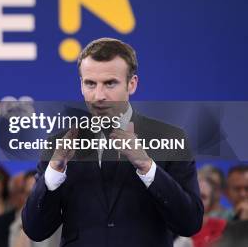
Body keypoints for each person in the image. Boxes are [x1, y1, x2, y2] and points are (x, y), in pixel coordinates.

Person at [22, 38, 203, 247]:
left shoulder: (170, 139)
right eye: (90, 83)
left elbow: (190, 223)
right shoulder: (60, 144)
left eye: (110, 83)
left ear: (132, 84)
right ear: (81, 85)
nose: (99, 95)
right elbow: (35, 230)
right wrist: (53, 173)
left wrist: (147, 166)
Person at [8, 171, 60, 247]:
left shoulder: (64, 222)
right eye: (30, 194)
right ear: (23, 196)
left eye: (39, 193)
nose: (35, 200)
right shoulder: (16, 226)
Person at [191, 176, 226, 247]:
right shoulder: (172, 227)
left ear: (211, 202)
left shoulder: (222, 227)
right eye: (193, 195)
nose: (197, 201)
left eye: (203, 197)